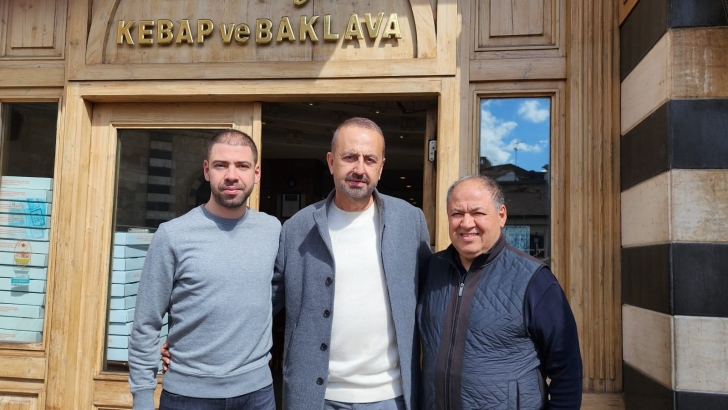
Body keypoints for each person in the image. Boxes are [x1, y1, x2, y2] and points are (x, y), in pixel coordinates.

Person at [272, 117, 432, 410]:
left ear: (381, 167)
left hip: (391, 398)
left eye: (370, 159)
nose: (359, 169)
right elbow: (264, 305)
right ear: (331, 162)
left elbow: (433, 300)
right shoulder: (298, 228)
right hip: (317, 399)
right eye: (349, 157)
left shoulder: (410, 221)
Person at [128, 130, 281, 410]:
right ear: (207, 170)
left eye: (242, 166)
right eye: (222, 165)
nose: (232, 175)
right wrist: (142, 397)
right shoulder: (172, 235)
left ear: (256, 173)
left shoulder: (272, 229)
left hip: (257, 394)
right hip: (188, 396)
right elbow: (146, 322)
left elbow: (273, 291)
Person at [417, 175, 582, 409]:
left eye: (478, 213)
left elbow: (567, 371)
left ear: (501, 215)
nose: (466, 223)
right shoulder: (431, 270)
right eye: (457, 213)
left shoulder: (535, 280)